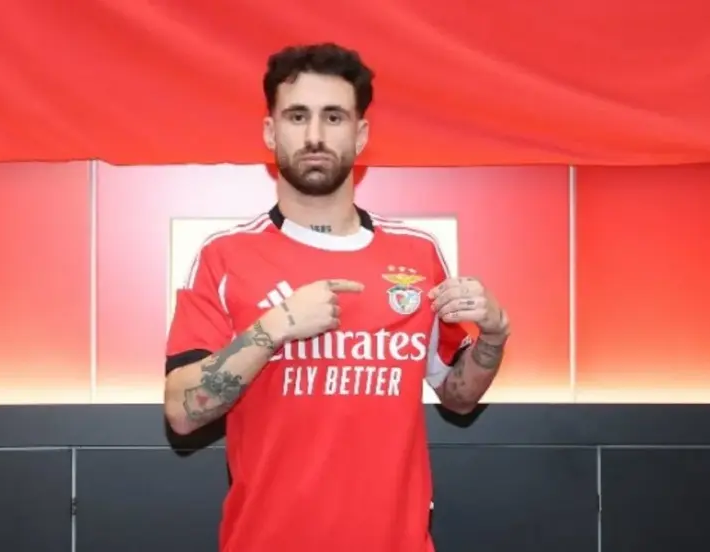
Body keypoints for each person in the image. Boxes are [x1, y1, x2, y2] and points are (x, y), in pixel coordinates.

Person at [163, 42, 510, 552]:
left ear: (360, 134)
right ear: (270, 131)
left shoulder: (418, 254)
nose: (315, 135)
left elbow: (458, 397)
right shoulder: (224, 257)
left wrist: (495, 337)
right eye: (297, 116)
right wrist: (275, 326)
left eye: (333, 117)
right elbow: (182, 410)